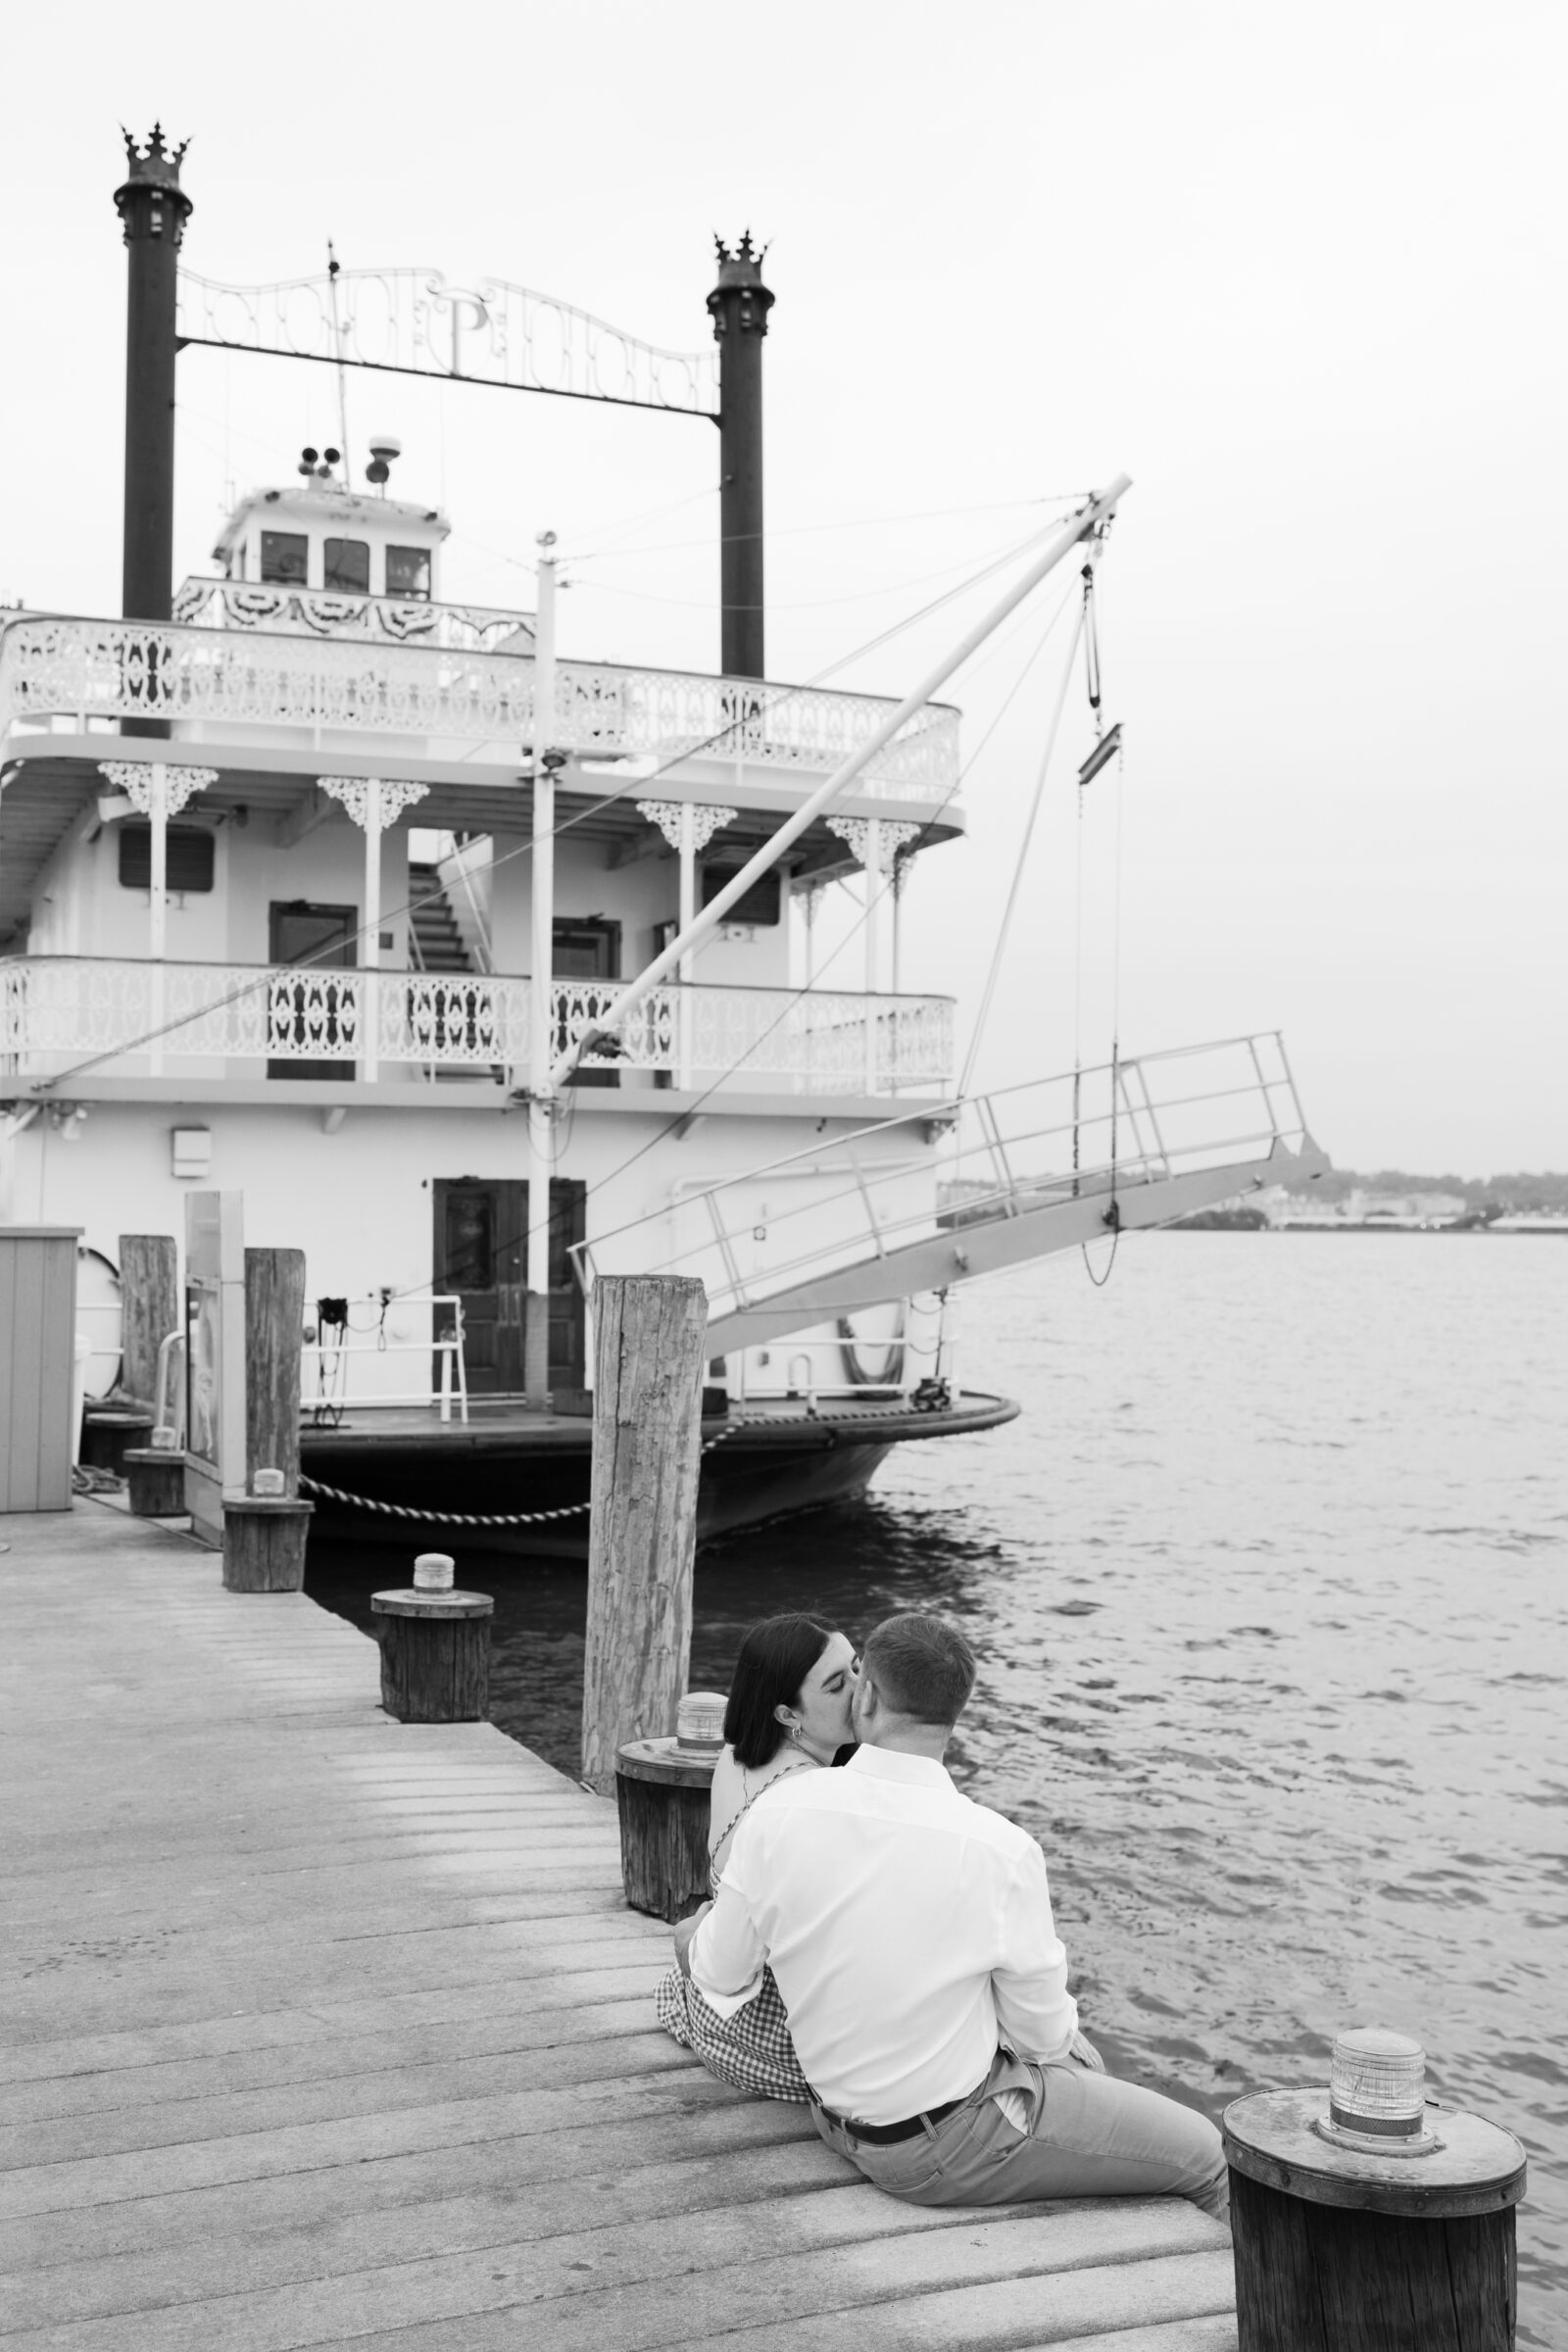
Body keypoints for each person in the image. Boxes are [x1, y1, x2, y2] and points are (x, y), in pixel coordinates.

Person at [684, 1610, 1230, 2223]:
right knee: (1208, 2155)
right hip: (941, 2145)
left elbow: (721, 1972)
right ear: (956, 1710)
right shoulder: (1000, 1848)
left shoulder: (780, 1811)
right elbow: (1043, 2038)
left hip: (836, 2116)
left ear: (867, 1697)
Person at [655, 1612, 858, 2101]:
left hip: (707, 2009)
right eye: (837, 1685)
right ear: (788, 1715)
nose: (861, 1689)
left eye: (858, 1667)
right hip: (773, 2037)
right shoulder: (816, 1795)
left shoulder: (733, 1753)